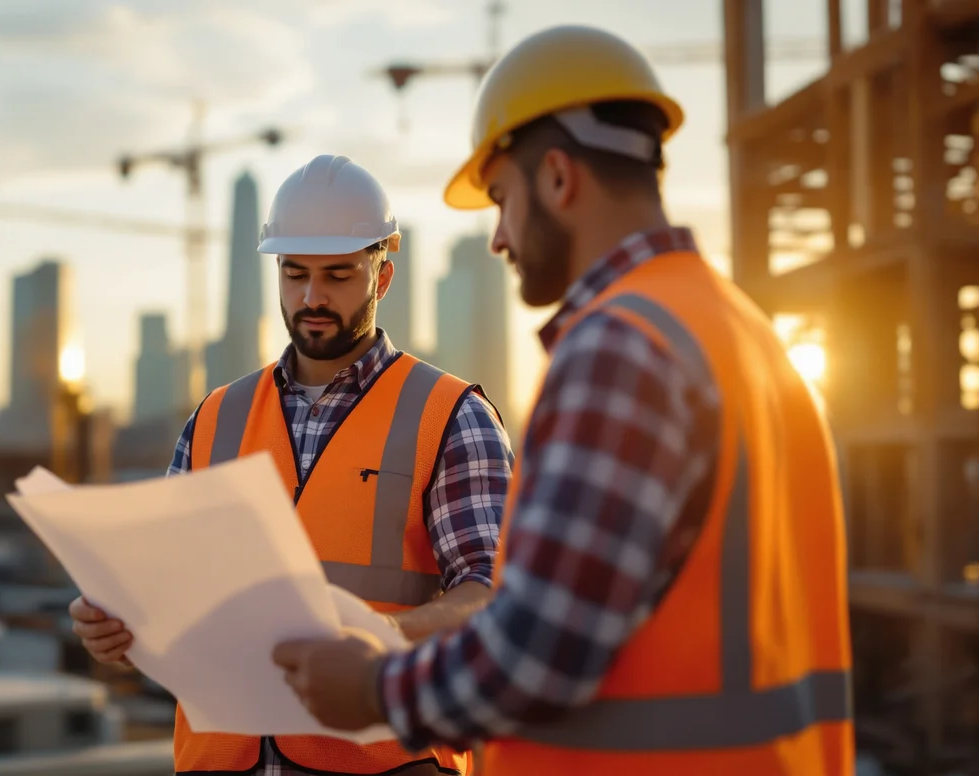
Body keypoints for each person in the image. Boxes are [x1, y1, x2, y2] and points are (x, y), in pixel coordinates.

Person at [272, 24, 854, 776]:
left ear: (556, 178)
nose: (499, 238)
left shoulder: (623, 345)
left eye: (501, 199)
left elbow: (539, 649)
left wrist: (373, 686)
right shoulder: (746, 337)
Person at [70, 153, 515, 775]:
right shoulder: (215, 419)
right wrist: (121, 627)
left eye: (338, 275)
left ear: (383, 276)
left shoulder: (450, 416)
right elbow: (171, 590)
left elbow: (497, 595)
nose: (312, 297)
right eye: (294, 273)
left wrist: (383, 640)